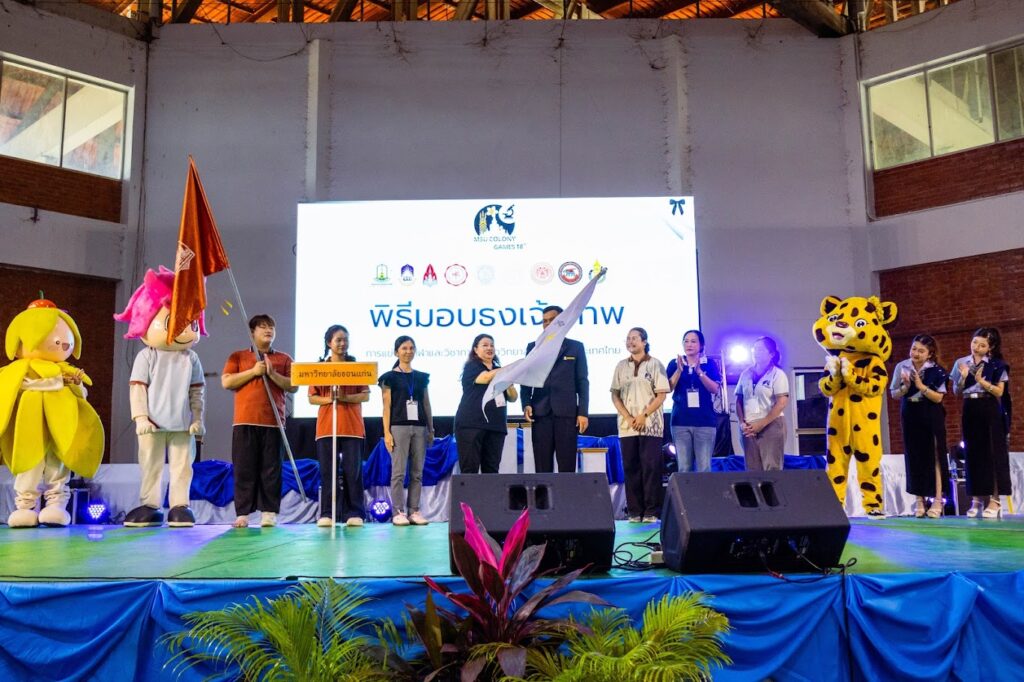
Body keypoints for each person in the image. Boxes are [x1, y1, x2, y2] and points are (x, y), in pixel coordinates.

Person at [221, 314, 297, 528]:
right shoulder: (238, 356)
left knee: (271, 470)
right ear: (252, 332)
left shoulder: (284, 358)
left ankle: (269, 513)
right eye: (263, 327)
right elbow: (227, 382)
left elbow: (293, 386)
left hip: (273, 423)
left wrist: (272, 374)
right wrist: (254, 371)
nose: (268, 330)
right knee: (244, 469)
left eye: (271, 327)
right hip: (245, 422)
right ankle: (243, 513)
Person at [308, 325, 369, 528]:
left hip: (352, 428)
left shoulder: (357, 368)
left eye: (345, 339)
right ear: (329, 343)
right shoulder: (319, 369)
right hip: (327, 428)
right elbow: (312, 398)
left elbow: (365, 395)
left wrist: (344, 398)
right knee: (328, 472)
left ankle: (355, 513)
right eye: (338, 340)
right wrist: (330, 399)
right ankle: (327, 513)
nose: (342, 343)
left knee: (353, 472)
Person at [521, 305, 590, 473]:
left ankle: (566, 492)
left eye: (552, 320)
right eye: (544, 321)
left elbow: (582, 382)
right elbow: (526, 378)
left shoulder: (576, 347)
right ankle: (543, 493)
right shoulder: (533, 347)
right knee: (542, 467)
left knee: (567, 466)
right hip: (540, 413)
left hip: (567, 414)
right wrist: (526, 403)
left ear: (562, 322)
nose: (547, 324)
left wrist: (583, 412)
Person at [610, 327, 670, 523]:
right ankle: (635, 511)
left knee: (651, 468)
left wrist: (644, 415)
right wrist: (628, 417)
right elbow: (615, 395)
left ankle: (652, 511)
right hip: (627, 426)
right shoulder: (621, 366)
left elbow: (661, 394)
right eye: (628, 338)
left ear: (644, 342)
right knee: (631, 468)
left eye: (634, 338)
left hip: (650, 425)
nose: (630, 341)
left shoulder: (655, 364)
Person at [951, 327, 1011, 519]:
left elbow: (1000, 392)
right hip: (970, 407)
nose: (976, 347)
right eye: (974, 342)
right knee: (973, 453)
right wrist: (962, 378)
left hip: (989, 406)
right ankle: (976, 499)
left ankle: (995, 500)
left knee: (992, 453)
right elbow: (956, 391)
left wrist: (981, 381)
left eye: (982, 345)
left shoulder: (997, 364)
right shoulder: (961, 362)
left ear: (990, 347)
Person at [888, 334, 948, 518]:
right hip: (910, 412)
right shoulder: (902, 366)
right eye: (914, 349)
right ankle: (919, 500)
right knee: (914, 456)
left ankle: (937, 500)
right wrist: (905, 387)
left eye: (921, 351)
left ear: (930, 354)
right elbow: (894, 393)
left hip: (930, 412)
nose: (915, 353)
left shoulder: (937, 371)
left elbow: (938, 398)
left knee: (934, 455)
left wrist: (921, 386)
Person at [378, 335, 434, 526]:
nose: (408, 351)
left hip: (420, 427)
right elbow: (386, 407)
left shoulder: (421, 377)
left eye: (411, 348)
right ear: (396, 352)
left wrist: (431, 428)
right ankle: (398, 511)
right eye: (404, 348)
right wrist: (387, 432)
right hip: (398, 427)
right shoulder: (389, 377)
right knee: (399, 472)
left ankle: (414, 510)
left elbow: (426, 404)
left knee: (417, 472)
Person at [454, 334, 517, 474]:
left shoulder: (499, 369)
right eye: (485, 345)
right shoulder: (472, 367)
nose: (489, 348)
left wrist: (510, 382)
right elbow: (486, 377)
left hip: (495, 426)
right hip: (472, 425)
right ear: (475, 349)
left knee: (492, 470)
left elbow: (513, 397)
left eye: (492, 345)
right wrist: (511, 369)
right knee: (470, 470)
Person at [665, 330, 722, 473]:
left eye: (693, 341)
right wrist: (679, 371)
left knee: (704, 468)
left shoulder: (709, 363)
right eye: (686, 341)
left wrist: (700, 373)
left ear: (701, 345)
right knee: (684, 468)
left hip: (704, 422)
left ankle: (703, 490)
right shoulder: (674, 363)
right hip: (680, 422)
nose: (689, 344)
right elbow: (668, 388)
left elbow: (715, 389)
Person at [736, 336, 789, 471]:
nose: (755, 352)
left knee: (772, 468)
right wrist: (742, 423)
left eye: (760, 349)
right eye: (754, 349)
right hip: (748, 427)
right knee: (752, 470)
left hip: (771, 424)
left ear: (771, 354)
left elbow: (782, 402)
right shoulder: (745, 374)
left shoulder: (778, 374)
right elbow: (739, 400)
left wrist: (761, 424)